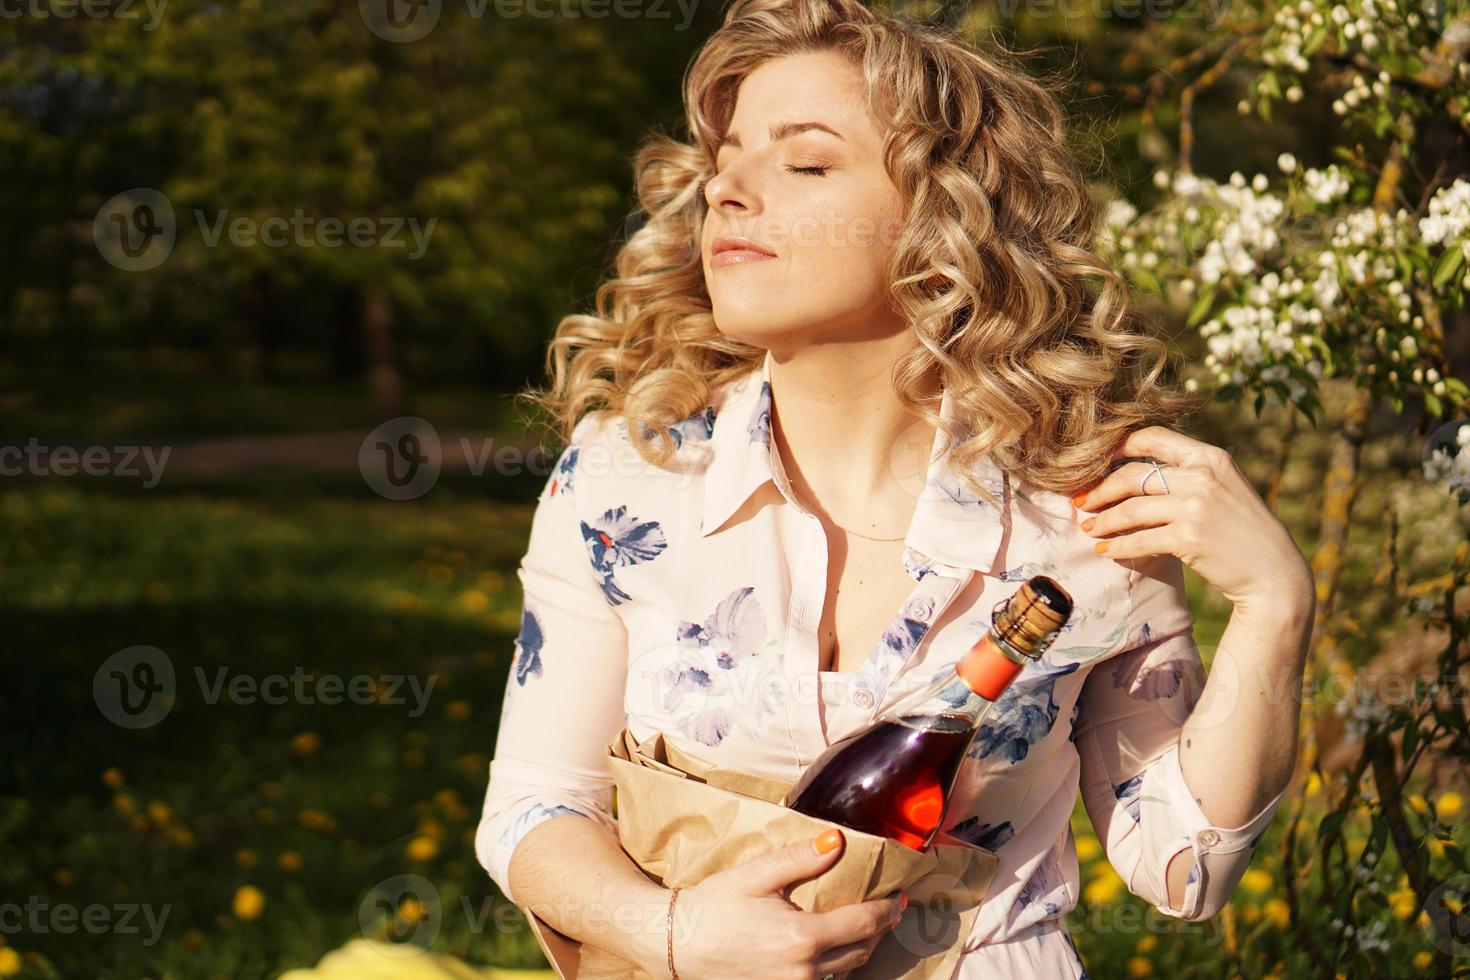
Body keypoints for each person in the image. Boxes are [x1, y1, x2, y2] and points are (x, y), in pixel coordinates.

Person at [475, 0, 1316, 976]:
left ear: (943, 220)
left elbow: (1182, 866)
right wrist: (680, 935)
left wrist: (1273, 605)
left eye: (805, 161)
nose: (728, 189)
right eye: (728, 155)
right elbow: (535, 806)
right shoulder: (625, 479)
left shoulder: (1083, 510)